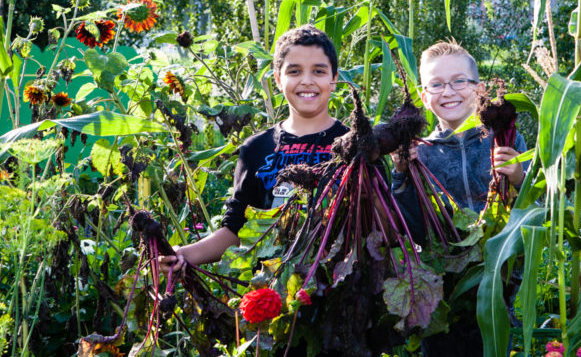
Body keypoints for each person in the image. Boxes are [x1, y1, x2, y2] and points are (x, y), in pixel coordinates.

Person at [159, 25, 348, 273]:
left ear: (333, 79)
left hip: (343, 287)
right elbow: (235, 231)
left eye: (319, 71)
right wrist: (182, 255)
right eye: (294, 71)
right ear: (278, 80)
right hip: (272, 291)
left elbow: (382, 224)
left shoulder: (353, 143)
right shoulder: (257, 149)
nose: (307, 80)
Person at [390, 40, 527, 237]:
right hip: (446, 263)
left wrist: (519, 180)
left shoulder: (507, 143)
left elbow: (538, 208)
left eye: (459, 81)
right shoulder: (421, 153)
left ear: (480, 89)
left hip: (505, 261)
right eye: (436, 84)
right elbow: (413, 227)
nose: (448, 92)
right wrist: (401, 174)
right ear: (425, 98)